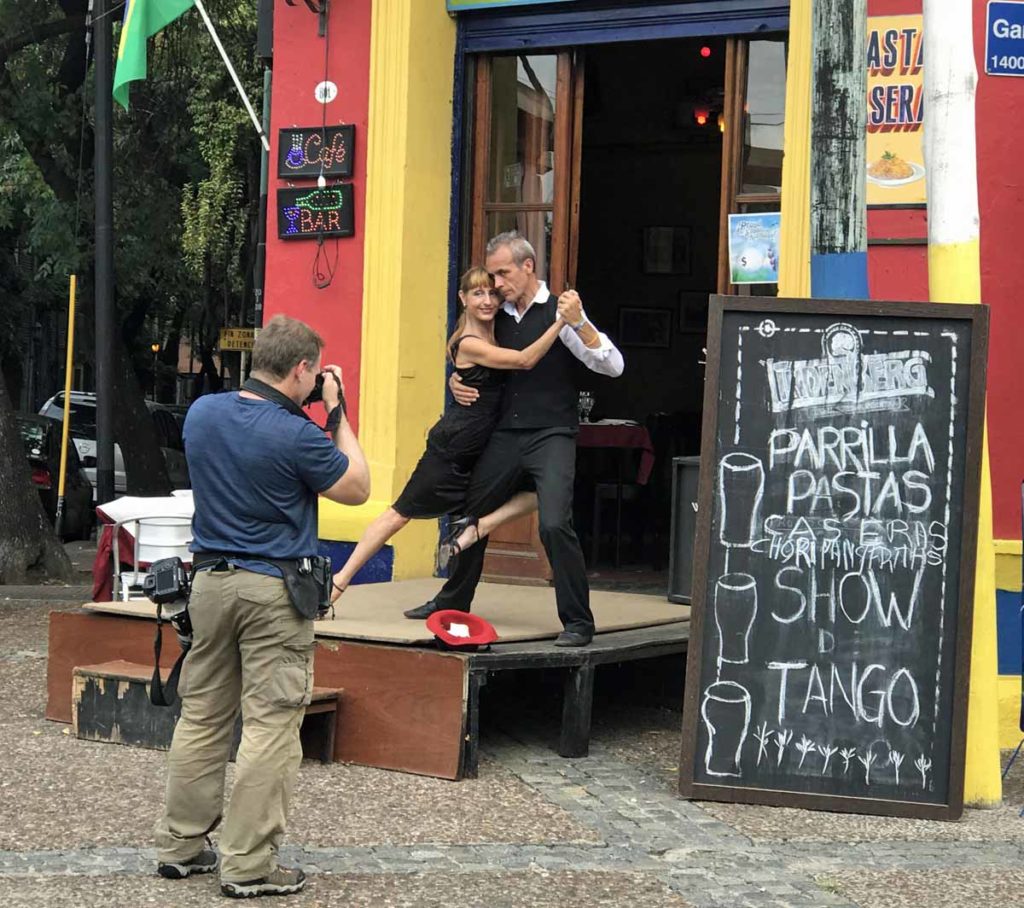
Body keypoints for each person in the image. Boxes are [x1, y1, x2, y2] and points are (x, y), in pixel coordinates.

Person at [154, 315, 370, 899]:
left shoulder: (203, 413)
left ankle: (180, 845)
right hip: (274, 589)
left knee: (201, 716)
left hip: (210, 585)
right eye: (313, 373)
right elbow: (358, 485)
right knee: (271, 725)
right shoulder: (297, 434)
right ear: (302, 369)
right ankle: (248, 864)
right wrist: (338, 412)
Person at [405, 231, 624, 647]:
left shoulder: (560, 310)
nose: (496, 285)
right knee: (471, 510)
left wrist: (579, 321)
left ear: (528, 267)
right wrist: (456, 380)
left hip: (552, 433)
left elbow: (612, 365)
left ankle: (578, 622)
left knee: (557, 523)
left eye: (502, 273)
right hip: (504, 431)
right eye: (491, 275)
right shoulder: (495, 315)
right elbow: (470, 357)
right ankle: (451, 601)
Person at [329, 266, 571, 600]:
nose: (487, 301)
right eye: (477, 294)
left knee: (538, 492)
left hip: (484, 447)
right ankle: (339, 582)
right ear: (463, 299)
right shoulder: (470, 341)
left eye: (492, 293)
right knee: (399, 515)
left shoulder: (497, 331)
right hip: (452, 449)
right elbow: (524, 360)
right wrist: (562, 320)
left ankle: (478, 528)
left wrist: (454, 380)